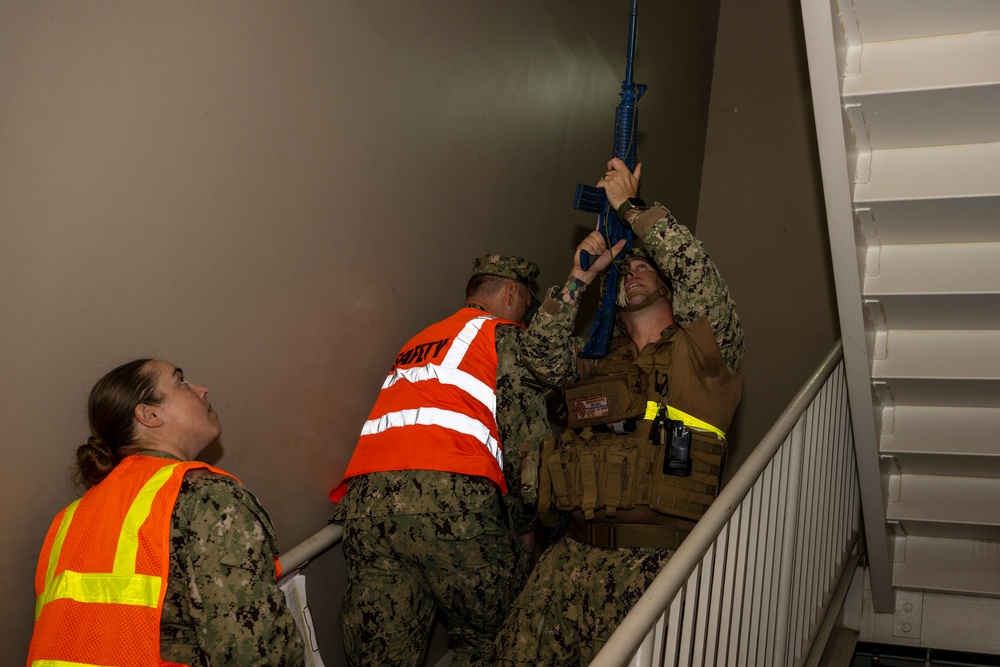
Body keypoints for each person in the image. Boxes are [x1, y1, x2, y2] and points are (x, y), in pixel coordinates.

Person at [495, 158, 745, 666]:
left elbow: (695, 268)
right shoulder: (599, 361)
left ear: (670, 287)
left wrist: (631, 208)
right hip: (568, 560)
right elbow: (539, 359)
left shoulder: (705, 356)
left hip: (655, 568)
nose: (631, 270)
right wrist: (577, 280)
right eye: (626, 267)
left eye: (644, 265)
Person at [330, 255, 551, 667]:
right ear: (510, 294)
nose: (525, 315)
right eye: (526, 304)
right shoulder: (504, 336)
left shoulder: (420, 339)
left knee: (381, 654)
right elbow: (528, 449)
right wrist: (525, 527)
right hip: (450, 502)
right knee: (497, 638)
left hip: (368, 507)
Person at [27, 359, 305, 667]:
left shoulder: (69, 519)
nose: (203, 389)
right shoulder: (205, 496)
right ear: (149, 414)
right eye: (182, 382)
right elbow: (252, 652)